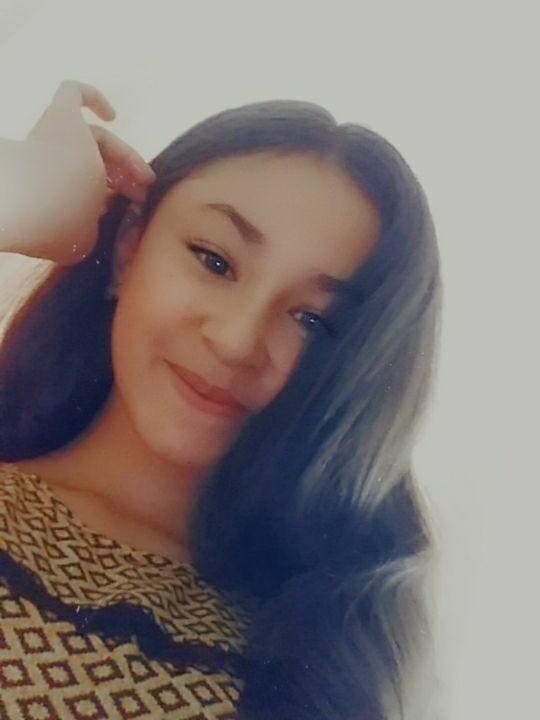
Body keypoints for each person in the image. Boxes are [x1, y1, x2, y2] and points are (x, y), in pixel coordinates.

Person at [0, 80, 442, 719]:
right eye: (213, 260)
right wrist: (16, 192)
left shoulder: (315, 666)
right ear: (129, 250)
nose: (236, 341)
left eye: (312, 321)